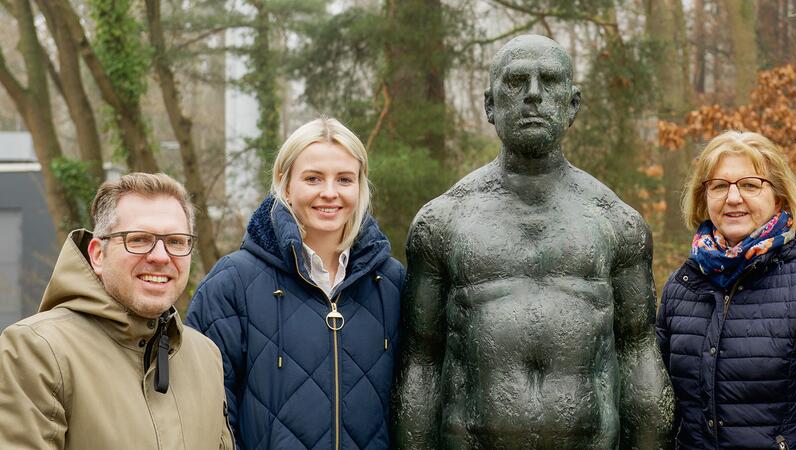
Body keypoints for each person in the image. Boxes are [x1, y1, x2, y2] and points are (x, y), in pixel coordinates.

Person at [391, 34, 672, 449]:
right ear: (490, 105)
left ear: (572, 105)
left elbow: (640, 359)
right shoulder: (442, 222)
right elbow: (421, 365)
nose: (534, 95)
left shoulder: (617, 222)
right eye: (517, 81)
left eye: (550, 81)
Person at [186, 118, 405, 449]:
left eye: (344, 179)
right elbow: (205, 412)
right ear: (285, 183)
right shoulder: (232, 282)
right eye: (313, 178)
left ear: (360, 186)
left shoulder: (391, 282)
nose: (329, 193)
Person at [656, 131, 796, 449]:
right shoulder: (681, 287)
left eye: (749, 185)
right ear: (704, 198)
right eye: (719, 186)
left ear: (779, 198)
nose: (733, 198)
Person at [0, 172, 233, 449]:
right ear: (98, 255)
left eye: (175, 241)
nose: (160, 256)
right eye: (138, 239)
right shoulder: (37, 350)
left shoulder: (206, 357)